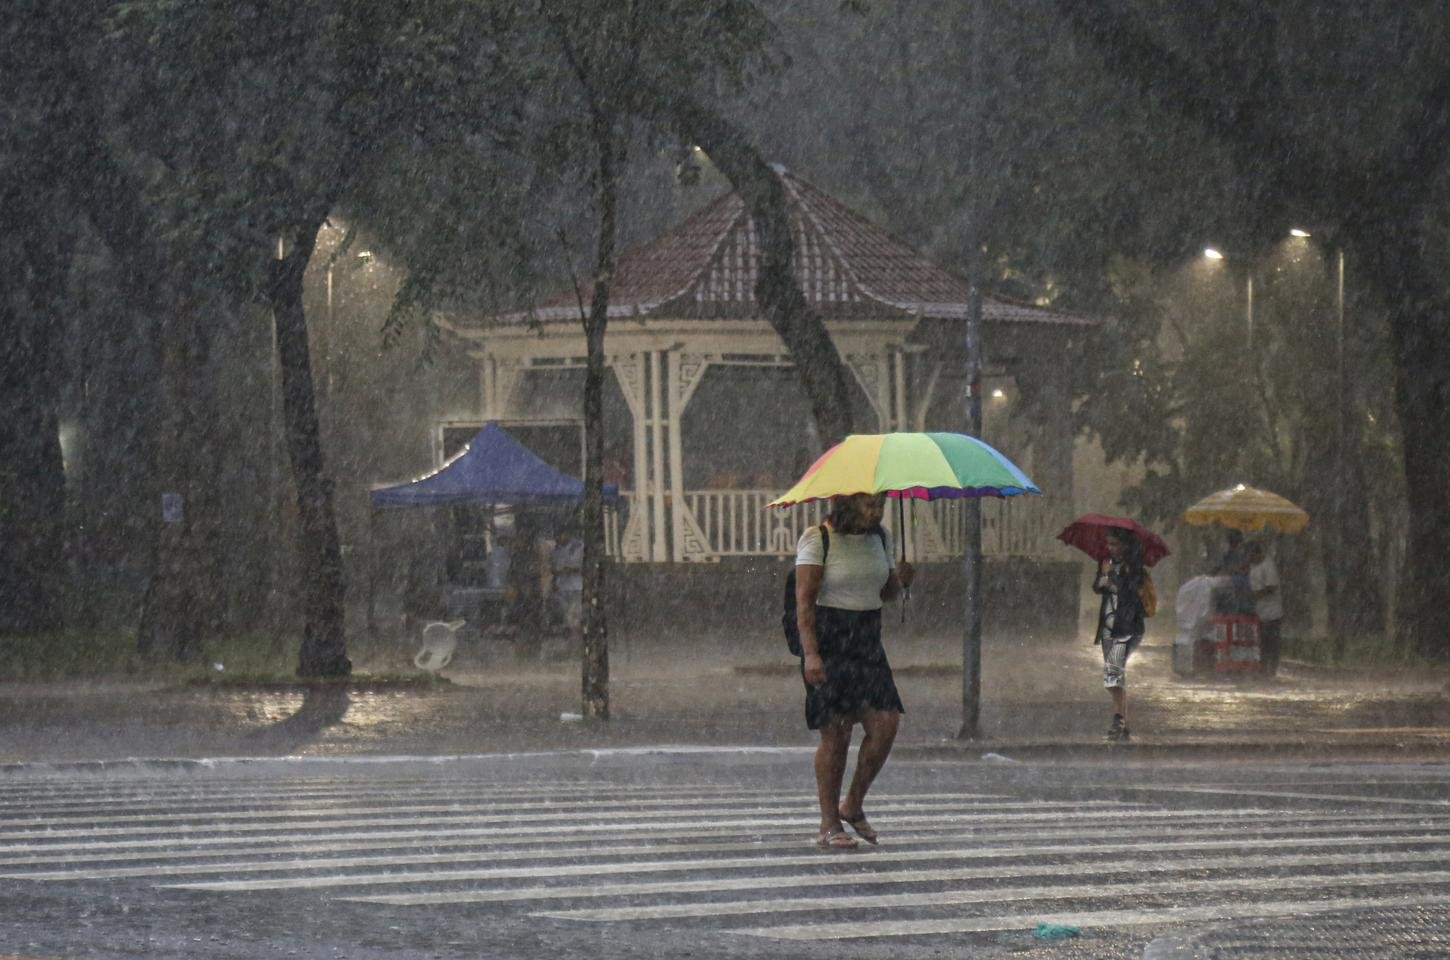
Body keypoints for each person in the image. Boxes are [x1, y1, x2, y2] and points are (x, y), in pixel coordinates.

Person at [794, 492, 914, 850]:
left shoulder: (881, 538)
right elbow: (804, 601)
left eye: (880, 505)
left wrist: (902, 580)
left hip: (867, 640)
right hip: (830, 640)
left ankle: (853, 804)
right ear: (847, 504)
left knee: (886, 723)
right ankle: (829, 823)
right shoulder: (819, 538)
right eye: (868, 505)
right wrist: (811, 654)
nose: (876, 512)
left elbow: (886, 593)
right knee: (837, 733)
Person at [1093, 527, 1146, 742]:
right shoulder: (1106, 564)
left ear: (1124, 546)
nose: (1111, 548)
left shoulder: (1134, 567)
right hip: (1108, 627)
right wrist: (1104, 575)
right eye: (1109, 544)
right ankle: (1122, 721)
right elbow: (1096, 587)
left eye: (1115, 544)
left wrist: (1112, 578)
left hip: (1128, 627)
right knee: (1114, 673)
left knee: (1113, 673)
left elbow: (1130, 592)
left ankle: (1118, 719)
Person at [1248, 540, 1284, 675]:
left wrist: (1256, 595)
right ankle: (1263, 668)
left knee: (1272, 643)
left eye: (1252, 555)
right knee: (1262, 642)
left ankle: (1272, 669)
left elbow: (1272, 587)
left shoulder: (1268, 566)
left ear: (1258, 553)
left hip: (1272, 612)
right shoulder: (1253, 567)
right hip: (1260, 611)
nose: (1250, 558)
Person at [550, 523, 584, 641]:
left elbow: (585, 566)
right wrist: (554, 581)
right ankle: (571, 632)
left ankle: (575, 633)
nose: (557, 539)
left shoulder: (579, 546)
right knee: (565, 611)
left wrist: (571, 570)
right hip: (562, 587)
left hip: (576, 586)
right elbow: (554, 568)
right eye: (556, 537)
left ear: (567, 534)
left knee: (574, 611)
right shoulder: (556, 549)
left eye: (560, 536)